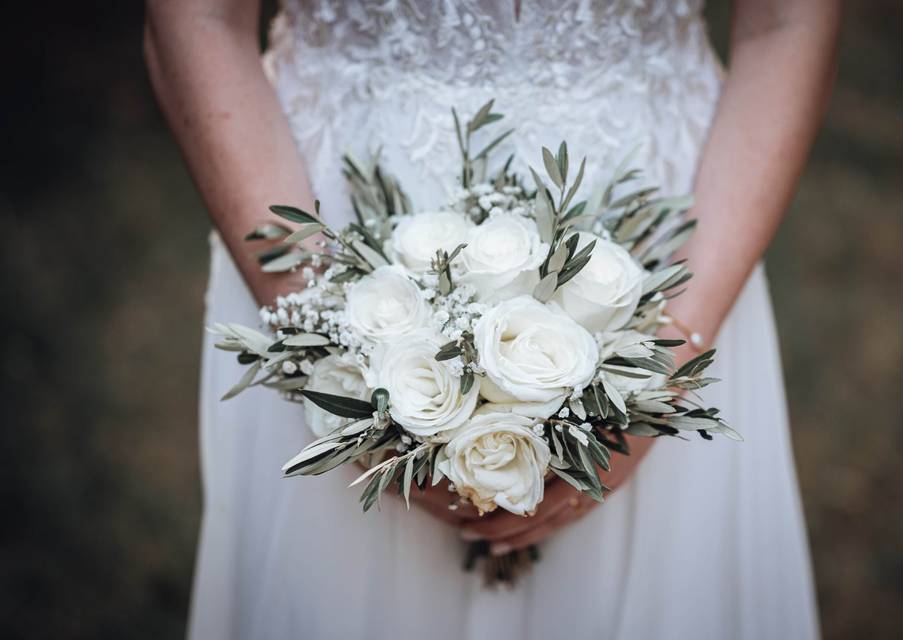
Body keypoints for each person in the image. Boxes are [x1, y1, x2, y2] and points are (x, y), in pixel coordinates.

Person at [145, 1, 840, 638]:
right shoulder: (330, 321)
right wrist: (341, 353)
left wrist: (667, 358)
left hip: (674, 251)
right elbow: (196, 18)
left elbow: (787, 24)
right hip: (316, 227)